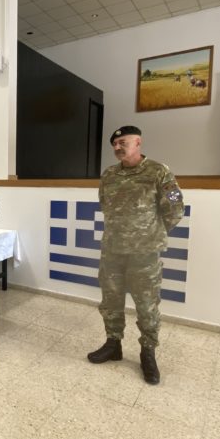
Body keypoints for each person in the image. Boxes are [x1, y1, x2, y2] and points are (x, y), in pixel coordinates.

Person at [87, 126, 184, 385]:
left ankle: (147, 352)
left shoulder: (159, 171)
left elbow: (176, 208)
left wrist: (150, 234)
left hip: (145, 254)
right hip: (112, 250)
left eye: (123, 142)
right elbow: (105, 205)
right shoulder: (109, 174)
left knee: (147, 305)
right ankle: (113, 344)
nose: (118, 147)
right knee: (111, 302)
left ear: (138, 142)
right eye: (115, 143)